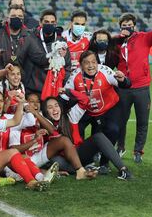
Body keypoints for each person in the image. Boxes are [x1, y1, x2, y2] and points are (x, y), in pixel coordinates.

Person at [41, 95, 132, 180]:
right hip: (63, 160)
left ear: (60, 107)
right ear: (45, 111)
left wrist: (68, 91)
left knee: (98, 136)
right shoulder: (43, 123)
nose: (54, 109)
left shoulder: (70, 115)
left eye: (56, 105)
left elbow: (85, 100)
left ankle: (123, 169)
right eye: (50, 107)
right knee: (55, 160)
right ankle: (83, 170)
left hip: (78, 154)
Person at [63, 51, 131, 150]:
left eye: (93, 62)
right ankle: (82, 157)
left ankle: (104, 162)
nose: (91, 66)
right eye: (86, 63)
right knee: (73, 128)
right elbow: (64, 97)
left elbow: (126, 85)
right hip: (86, 110)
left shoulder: (105, 71)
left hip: (108, 108)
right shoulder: (75, 75)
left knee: (113, 130)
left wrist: (123, 80)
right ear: (81, 64)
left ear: (97, 63)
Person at [115, 13, 152, 162]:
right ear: (120, 27)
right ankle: (120, 147)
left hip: (142, 87)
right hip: (123, 87)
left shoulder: (144, 37)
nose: (127, 28)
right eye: (124, 26)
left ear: (134, 26)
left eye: (130, 25)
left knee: (142, 121)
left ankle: (138, 151)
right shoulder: (116, 42)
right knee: (120, 121)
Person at [31, 9, 71, 94]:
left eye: (52, 22)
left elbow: (67, 66)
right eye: (46, 22)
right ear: (40, 23)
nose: (50, 24)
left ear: (55, 24)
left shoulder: (61, 41)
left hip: (54, 88)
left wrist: (64, 85)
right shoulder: (32, 38)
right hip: (35, 89)